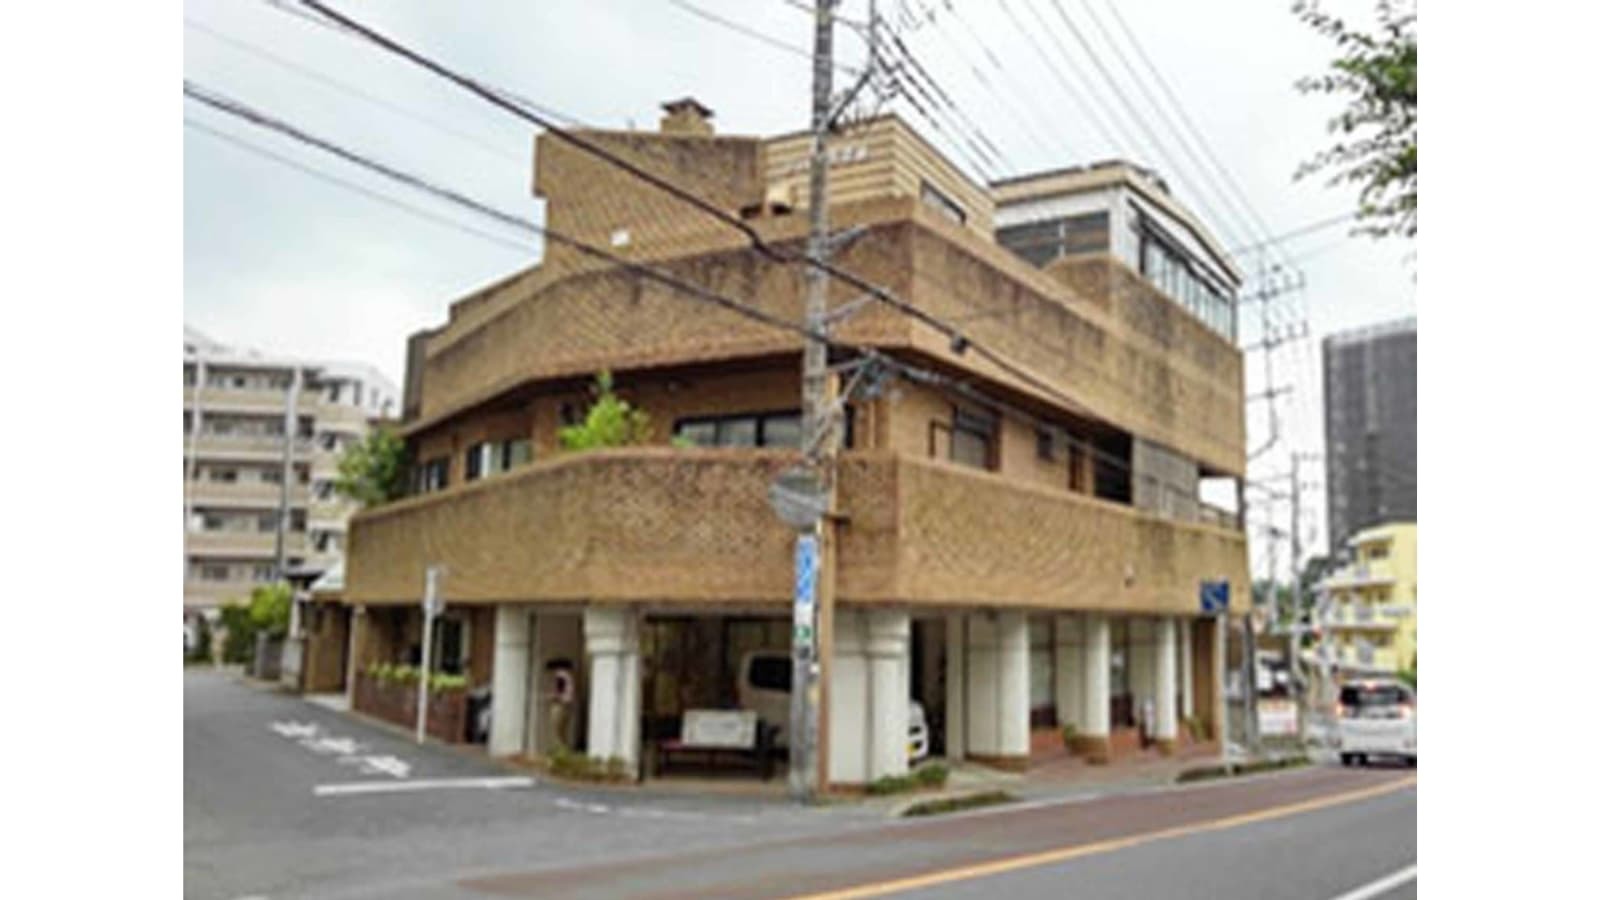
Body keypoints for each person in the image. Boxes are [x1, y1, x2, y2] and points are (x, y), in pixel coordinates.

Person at [547, 659, 575, 752]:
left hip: (560, 705)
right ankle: (563, 750)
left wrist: (551, 696)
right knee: (562, 731)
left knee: (558, 731)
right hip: (566, 706)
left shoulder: (561, 677)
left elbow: (559, 693)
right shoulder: (568, 677)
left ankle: (562, 751)